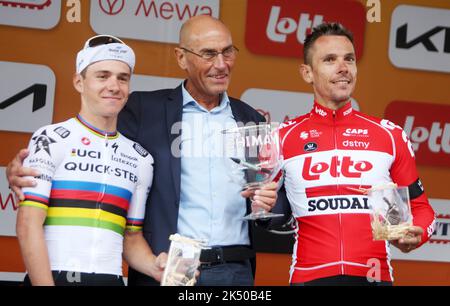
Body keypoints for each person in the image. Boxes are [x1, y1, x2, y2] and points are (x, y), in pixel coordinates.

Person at [7, 16, 277, 286]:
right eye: (208, 53)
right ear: (181, 58)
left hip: (230, 270)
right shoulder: (142, 109)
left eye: (227, 51)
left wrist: (270, 199)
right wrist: (26, 166)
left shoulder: (250, 118)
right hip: (168, 265)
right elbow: (91, 132)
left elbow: (274, 192)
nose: (221, 64)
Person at [268, 22, 436, 286]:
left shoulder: (389, 135)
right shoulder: (282, 138)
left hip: (374, 276)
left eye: (349, 59)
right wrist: (260, 205)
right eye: (330, 60)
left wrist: (419, 234)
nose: (343, 68)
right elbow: (264, 212)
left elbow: (423, 209)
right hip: (309, 278)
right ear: (307, 73)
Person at [14, 34, 166, 286]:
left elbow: (131, 238)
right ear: (79, 82)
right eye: (102, 76)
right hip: (54, 278)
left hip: (111, 280)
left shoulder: (141, 158)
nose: (114, 86)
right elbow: (28, 225)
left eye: (122, 78)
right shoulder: (51, 138)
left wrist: (155, 267)